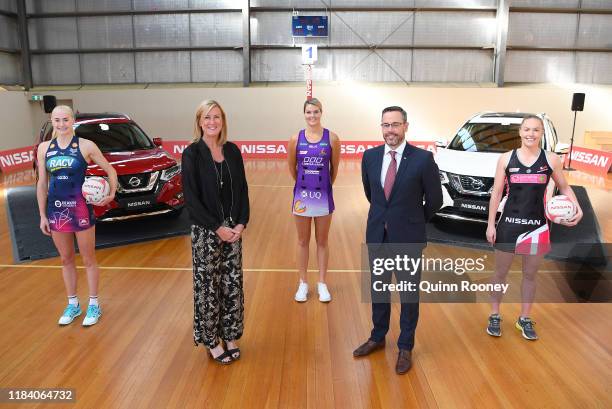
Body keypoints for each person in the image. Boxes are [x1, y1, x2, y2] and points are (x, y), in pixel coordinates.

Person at [354, 106, 442, 374]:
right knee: (378, 289)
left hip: (409, 238)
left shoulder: (423, 159)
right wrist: (387, 217)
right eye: (385, 125)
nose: (389, 130)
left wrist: (411, 220)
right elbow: (372, 194)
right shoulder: (369, 157)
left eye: (395, 124)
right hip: (377, 235)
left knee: (408, 293)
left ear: (406, 126)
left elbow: (435, 201)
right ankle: (378, 337)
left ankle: (405, 345)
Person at [486, 115, 583, 340]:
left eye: (536, 130)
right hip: (508, 224)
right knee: (500, 273)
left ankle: (525, 318)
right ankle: (494, 314)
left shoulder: (551, 160)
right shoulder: (505, 159)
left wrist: (578, 208)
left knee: (530, 275)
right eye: (527, 129)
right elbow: (496, 193)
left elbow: (565, 188)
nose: (531, 134)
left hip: (537, 226)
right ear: (520, 132)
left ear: (541, 133)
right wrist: (491, 224)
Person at [181, 100, 250, 365]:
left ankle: (229, 336)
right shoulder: (192, 154)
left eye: (217, 117)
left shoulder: (232, 151)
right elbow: (191, 199)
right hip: (207, 233)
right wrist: (217, 228)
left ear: (223, 120)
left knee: (232, 286)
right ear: (199, 121)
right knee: (208, 288)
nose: (212, 122)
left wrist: (241, 223)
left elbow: (242, 190)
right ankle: (211, 340)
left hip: (234, 231)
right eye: (207, 117)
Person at [36, 105, 117, 327]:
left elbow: (111, 170)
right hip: (56, 210)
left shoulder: (86, 146)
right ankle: (73, 304)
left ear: (73, 121)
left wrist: (110, 194)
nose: (61, 124)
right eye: (57, 120)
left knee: (88, 258)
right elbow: (42, 183)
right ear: (52, 122)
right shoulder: (44, 148)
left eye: (65, 120)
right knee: (66, 259)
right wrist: (42, 215)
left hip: (80, 209)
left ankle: (93, 303)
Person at [287, 98, 340, 303]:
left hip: (323, 197)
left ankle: (322, 284)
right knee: (302, 241)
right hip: (302, 197)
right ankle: (303, 283)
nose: (312, 116)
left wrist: (323, 185)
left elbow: (334, 169)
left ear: (321, 113)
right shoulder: (295, 139)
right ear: (304, 114)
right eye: (309, 112)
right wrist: (304, 184)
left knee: (322, 241)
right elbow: (292, 168)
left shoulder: (332, 138)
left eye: (316, 112)